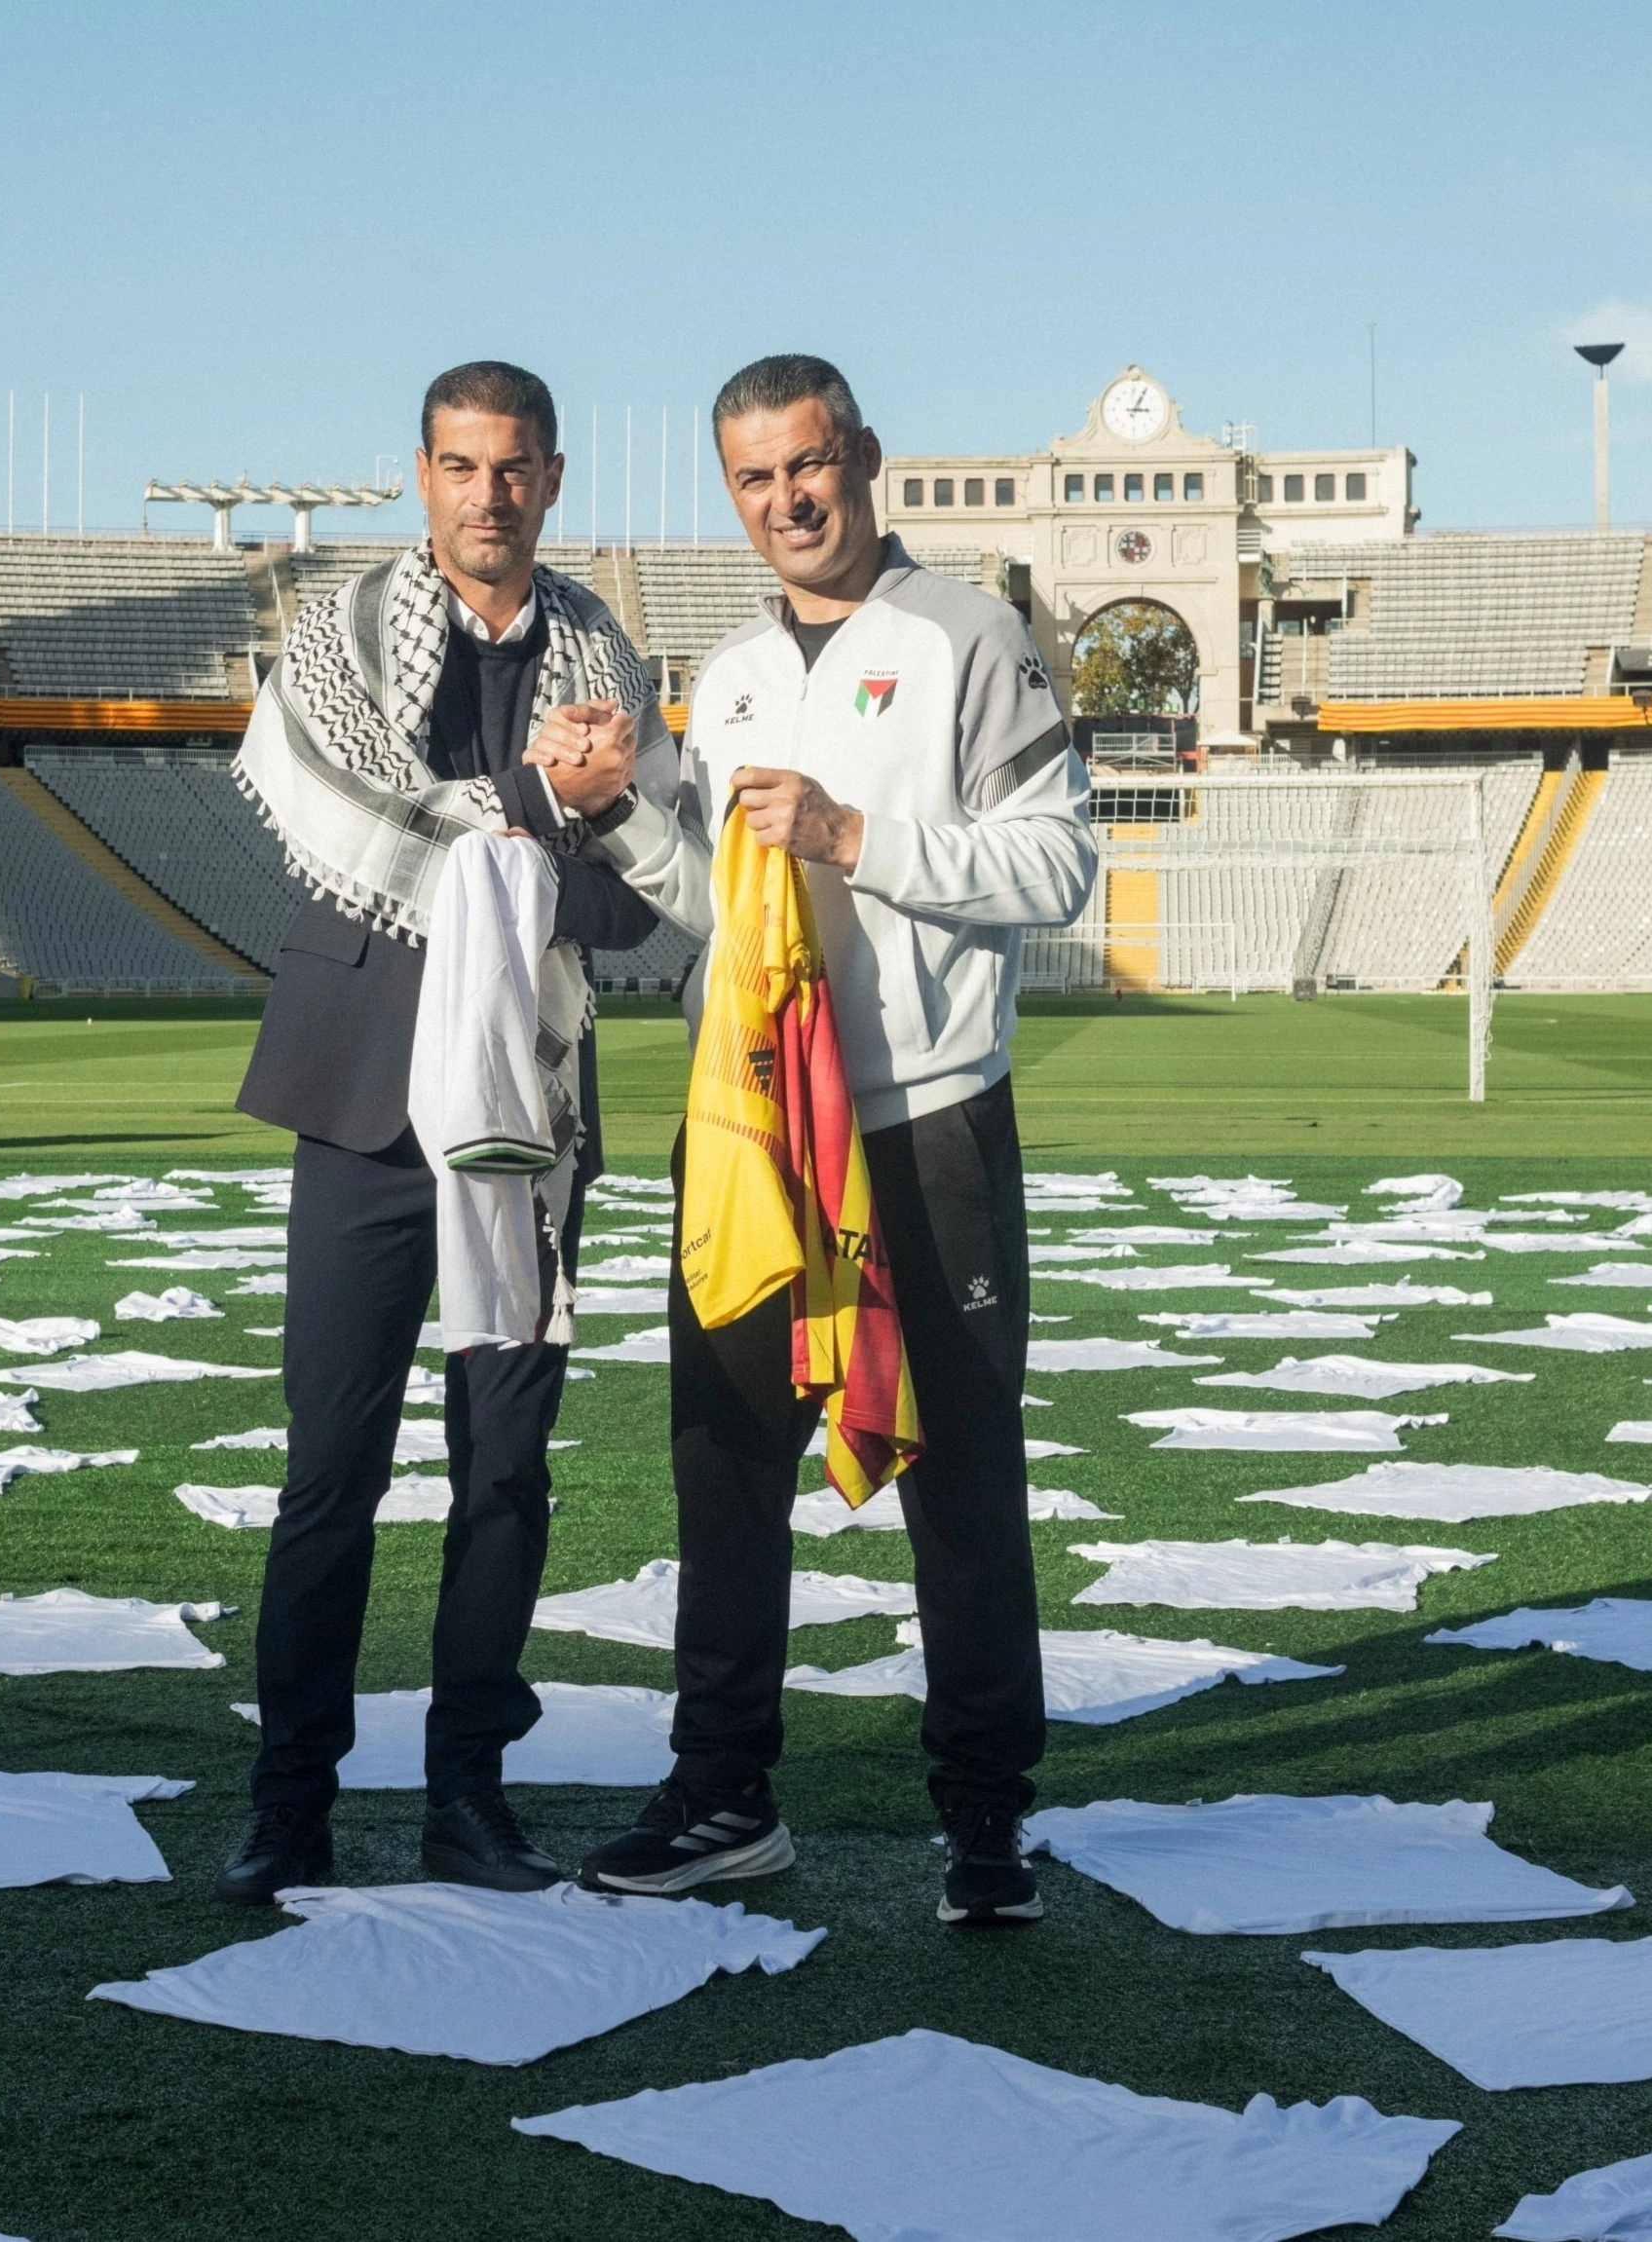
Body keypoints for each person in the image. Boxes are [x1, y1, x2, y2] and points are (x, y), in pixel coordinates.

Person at [577, 353, 1097, 1926]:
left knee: (956, 1471)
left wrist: (854, 831)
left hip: (922, 1117)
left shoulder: (965, 635)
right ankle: (725, 1790)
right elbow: (716, 905)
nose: (787, 500)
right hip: (750, 1124)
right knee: (723, 1466)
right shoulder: (725, 677)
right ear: (728, 492)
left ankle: (986, 1813)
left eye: (807, 465)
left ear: (862, 458)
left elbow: (1058, 861)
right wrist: (618, 810)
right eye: (752, 478)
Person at [214, 359, 664, 1903]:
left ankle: (468, 1793)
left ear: (553, 478)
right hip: (358, 1096)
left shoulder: (603, 650)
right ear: (421, 476)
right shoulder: (340, 629)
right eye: (462, 466)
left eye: (516, 467)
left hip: (526, 1115)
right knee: (329, 1468)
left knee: (504, 1475)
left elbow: (626, 894)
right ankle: (289, 1800)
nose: (490, 493)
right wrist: (544, 802)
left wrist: (557, 821)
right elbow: (345, 816)